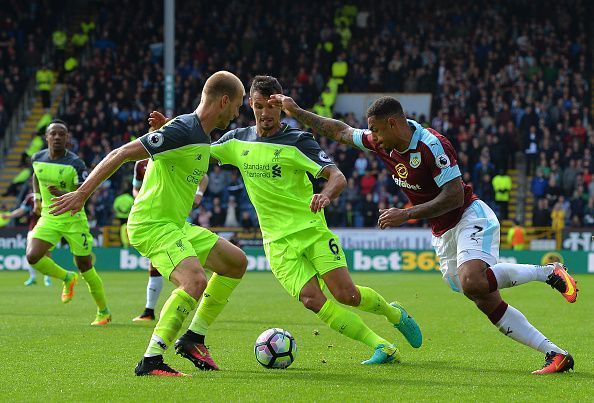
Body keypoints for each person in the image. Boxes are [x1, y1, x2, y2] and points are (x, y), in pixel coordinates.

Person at [269, 94, 577, 374]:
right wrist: (297, 111)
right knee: (480, 297)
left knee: (473, 281)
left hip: (470, 217)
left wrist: (406, 214)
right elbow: (339, 131)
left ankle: (548, 272)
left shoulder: (432, 144)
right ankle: (555, 354)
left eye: (376, 130)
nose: (373, 137)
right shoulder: (382, 142)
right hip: (443, 233)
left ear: (392, 123)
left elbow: (454, 195)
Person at [152, 76, 422, 365]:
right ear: (251, 106)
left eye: (271, 107)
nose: (265, 114)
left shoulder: (298, 141)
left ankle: (394, 313)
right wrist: (169, 128)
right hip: (277, 242)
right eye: (258, 107)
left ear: (280, 105)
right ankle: (382, 346)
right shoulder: (235, 141)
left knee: (347, 295)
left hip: (311, 231)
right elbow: (197, 151)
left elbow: (337, 176)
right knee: (312, 300)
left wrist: (326, 194)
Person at [49, 71, 248, 377]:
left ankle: (194, 338)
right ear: (224, 101)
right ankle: (152, 360)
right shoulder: (184, 129)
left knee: (236, 262)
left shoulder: (193, 132)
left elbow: (177, 147)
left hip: (175, 225)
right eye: (237, 105)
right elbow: (121, 153)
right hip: (151, 224)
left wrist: (166, 128)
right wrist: (81, 194)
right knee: (194, 281)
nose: (238, 113)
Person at [27, 120, 110, 325]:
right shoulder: (37, 158)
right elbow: (36, 177)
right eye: (53, 134)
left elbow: (85, 192)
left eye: (61, 134)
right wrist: (37, 197)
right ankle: (67, 278)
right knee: (33, 256)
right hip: (50, 216)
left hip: (74, 219)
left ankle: (103, 311)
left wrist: (63, 194)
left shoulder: (76, 163)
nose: (57, 137)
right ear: (46, 137)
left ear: (67, 138)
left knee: (85, 265)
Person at [130, 158, 209, 322]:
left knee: (191, 273)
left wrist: (199, 194)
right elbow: (136, 189)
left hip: (177, 217)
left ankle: (156, 312)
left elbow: (203, 176)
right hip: (155, 220)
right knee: (157, 265)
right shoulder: (141, 164)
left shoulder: (175, 153)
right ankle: (149, 310)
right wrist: (142, 198)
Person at [1, 190, 52, 286]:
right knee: (29, 252)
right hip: (33, 228)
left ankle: (47, 277)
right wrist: (9, 215)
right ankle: (32, 277)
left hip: (48, 228)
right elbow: (22, 210)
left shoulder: (50, 195)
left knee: (46, 252)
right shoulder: (31, 197)